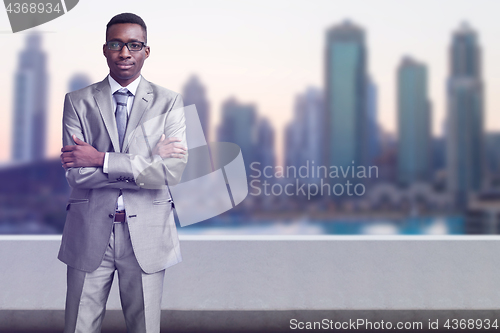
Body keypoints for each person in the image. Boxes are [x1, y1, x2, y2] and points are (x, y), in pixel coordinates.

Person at [58, 12, 187, 333]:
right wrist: (144, 164)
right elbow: (77, 175)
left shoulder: (169, 102)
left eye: (134, 45)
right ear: (105, 49)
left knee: (144, 328)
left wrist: (100, 158)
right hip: (88, 232)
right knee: (79, 327)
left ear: (146, 50)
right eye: (116, 44)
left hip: (148, 235)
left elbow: (170, 173)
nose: (124, 53)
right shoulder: (77, 101)